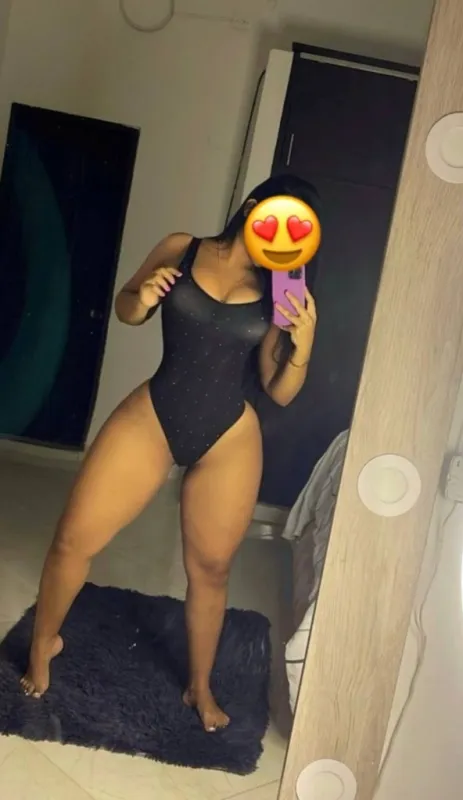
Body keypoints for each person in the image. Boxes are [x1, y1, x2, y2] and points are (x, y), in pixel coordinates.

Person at [21, 174, 320, 732]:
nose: (285, 237)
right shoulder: (183, 247)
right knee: (73, 538)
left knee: (210, 569)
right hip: (154, 414)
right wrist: (143, 297)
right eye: (279, 220)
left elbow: (277, 390)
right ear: (253, 207)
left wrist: (301, 349)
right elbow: (126, 308)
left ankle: (198, 687)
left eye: (298, 231)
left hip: (228, 436)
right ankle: (43, 645)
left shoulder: (281, 292)